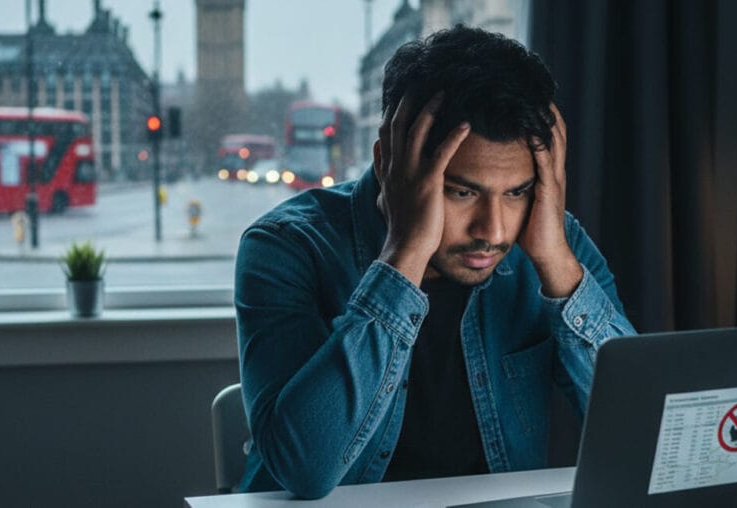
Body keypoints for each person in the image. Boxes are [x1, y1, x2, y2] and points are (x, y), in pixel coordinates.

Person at [233, 25, 637, 499]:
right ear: (389, 164)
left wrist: (556, 266)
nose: (494, 230)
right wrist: (403, 257)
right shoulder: (286, 247)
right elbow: (305, 471)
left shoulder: (553, 244)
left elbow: (640, 434)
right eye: (462, 191)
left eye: (517, 192)